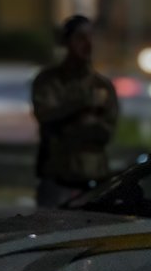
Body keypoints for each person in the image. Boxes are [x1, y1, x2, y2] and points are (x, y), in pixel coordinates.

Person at [31, 15, 119, 208]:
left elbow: (104, 133)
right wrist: (83, 107)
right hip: (57, 181)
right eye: (80, 38)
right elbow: (47, 118)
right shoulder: (49, 81)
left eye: (91, 37)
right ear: (66, 42)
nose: (88, 44)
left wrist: (70, 123)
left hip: (95, 182)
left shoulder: (101, 85)